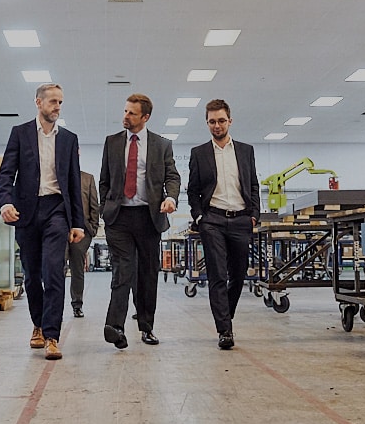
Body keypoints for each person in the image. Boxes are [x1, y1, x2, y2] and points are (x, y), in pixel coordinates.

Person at [0, 83, 85, 360]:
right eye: (53, 102)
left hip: (56, 210)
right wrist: (6, 203)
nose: (58, 107)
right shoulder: (20, 133)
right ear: (38, 103)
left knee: (53, 272)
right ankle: (37, 323)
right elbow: (6, 173)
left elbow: (73, 182)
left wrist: (78, 222)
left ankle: (52, 335)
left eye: (60, 102)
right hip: (27, 211)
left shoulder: (69, 138)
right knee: (33, 275)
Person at [100, 93, 181, 349]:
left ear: (145, 117)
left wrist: (171, 198)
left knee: (147, 274)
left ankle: (146, 327)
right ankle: (115, 327)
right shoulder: (111, 142)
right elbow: (104, 179)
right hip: (119, 217)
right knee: (123, 270)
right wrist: (105, 207)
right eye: (125, 111)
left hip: (149, 218)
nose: (125, 116)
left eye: (132, 113)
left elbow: (172, 177)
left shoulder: (161, 144)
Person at [186, 99, 260, 350]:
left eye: (221, 120)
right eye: (212, 121)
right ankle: (224, 330)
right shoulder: (199, 153)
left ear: (230, 120)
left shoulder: (246, 150)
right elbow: (193, 190)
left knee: (238, 275)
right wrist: (199, 217)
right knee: (217, 274)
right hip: (213, 220)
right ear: (207, 123)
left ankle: (225, 315)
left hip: (241, 219)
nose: (216, 125)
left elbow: (253, 184)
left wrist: (254, 215)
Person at [67, 169, 99, 318]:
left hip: (83, 231)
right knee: (57, 268)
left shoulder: (88, 178)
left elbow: (94, 204)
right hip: (60, 228)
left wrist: (93, 227)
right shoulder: (57, 175)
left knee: (77, 269)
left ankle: (77, 304)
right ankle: (55, 306)